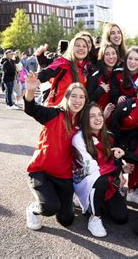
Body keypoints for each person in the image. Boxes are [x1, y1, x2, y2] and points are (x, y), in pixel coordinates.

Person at [24, 72, 87, 231]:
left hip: (64, 175)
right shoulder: (54, 113)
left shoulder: (82, 122)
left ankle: (58, 198)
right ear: (66, 97)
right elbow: (31, 109)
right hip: (41, 171)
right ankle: (33, 209)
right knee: (49, 207)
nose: (77, 100)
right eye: (74, 96)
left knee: (67, 219)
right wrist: (30, 91)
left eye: (81, 97)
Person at [72, 103, 129, 237]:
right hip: (86, 179)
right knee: (100, 180)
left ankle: (97, 201)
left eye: (99, 114)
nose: (98, 118)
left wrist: (120, 164)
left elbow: (110, 158)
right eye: (92, 116)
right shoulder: (78, 138)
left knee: (121, 218)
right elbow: (90, 168)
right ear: (85, 119)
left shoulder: (107, 135)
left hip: (107, 179)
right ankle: (94, 217)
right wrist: (117, 171)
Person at [37, 35, 91, 106]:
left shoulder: (88, 68)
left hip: (76, 112)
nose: (81, 48)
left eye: (84, 46)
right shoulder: (63, 63)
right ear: (71, 48)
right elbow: (44, 74)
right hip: (57, 111)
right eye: (77, 45)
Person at [86, 44, 119, 110]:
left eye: (113, 53)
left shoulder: (119, 73)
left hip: (113, 117)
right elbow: (87, 101)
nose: (111, 57)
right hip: (97, 116)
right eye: (107, 54)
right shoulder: (95, 75)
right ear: (102, 56)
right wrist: (99, 91)